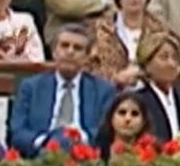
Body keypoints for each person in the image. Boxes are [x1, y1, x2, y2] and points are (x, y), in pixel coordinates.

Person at [6, 24, 115, 158]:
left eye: (78, 48)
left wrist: (77, 138)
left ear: (87, 57)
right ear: (54, 52)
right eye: (64, 45)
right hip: (40, 157)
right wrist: (48, 142)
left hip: (85, 159)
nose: (70, 52)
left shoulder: (103, 90)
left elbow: (105, 132)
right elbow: (17, 131)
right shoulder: (31, 87)